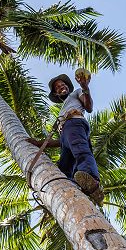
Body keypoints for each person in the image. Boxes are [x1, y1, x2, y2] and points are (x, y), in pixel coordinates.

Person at [28, 69, 103, 205]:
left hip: (74, 123)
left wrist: (85, 87)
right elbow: (63, 141)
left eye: (63, 84)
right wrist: (39, 143)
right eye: (58, 87)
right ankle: (72, 190)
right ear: (56, 94)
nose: (61, 86)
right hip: (67, 133)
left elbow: (89, 107)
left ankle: (93, 181)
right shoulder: (63, 109)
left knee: (81, 151)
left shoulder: (76, 93)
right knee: (64, 169)